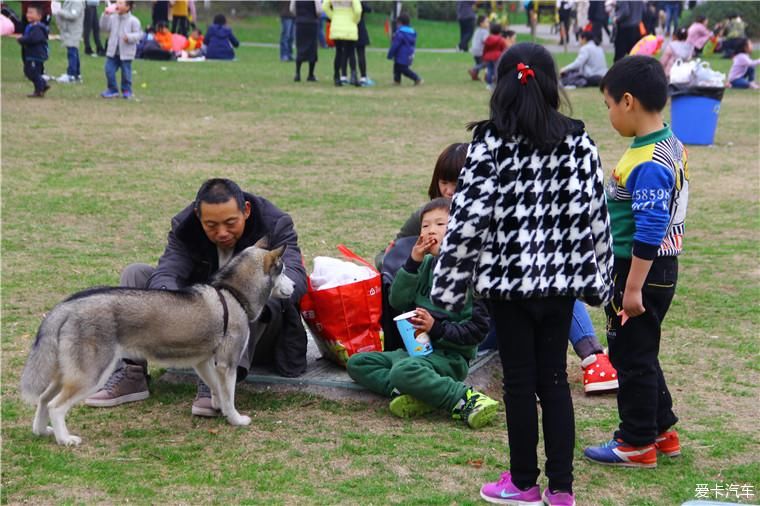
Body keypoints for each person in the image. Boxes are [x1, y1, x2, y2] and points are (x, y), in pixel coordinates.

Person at [431, 42, 614, 506]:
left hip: (507, 287)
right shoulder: (577, 140)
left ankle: (523, 482)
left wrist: (448, 289)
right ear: (552, 84)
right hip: (560, 285)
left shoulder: (489, 143)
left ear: (502, 86)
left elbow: (468, 221)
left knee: (518, 383)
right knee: (553, 379)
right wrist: (602, 280)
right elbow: (597, 216)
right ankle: (563, 490)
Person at [85, 178, 309, 414]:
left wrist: (259, 279)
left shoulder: (274, 223)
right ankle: (131, 373)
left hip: (256, 335)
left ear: (246, 211)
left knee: (243, 299)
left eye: (230, 223)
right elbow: (167, 272)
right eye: (211, 225)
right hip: (197, 324)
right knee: (135, 275)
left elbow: (297, 278)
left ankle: (215, 385)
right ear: (198, 216)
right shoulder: (186, 227)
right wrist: (172, 308)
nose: (222, 233)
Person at [584, 55, 688, 469]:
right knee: (641, 350)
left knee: (629, 356)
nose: (608, 115)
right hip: (653, 270)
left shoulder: (648, 163)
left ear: (627, 101)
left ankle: (636, 442)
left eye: (608, 105)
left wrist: (631, 289)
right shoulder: (665, 143)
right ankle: (662, 430)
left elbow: (649, 229)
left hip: (639, 271)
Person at [347, 198, 500, 429]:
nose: (431, 231)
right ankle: (420, 394)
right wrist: (412, 263)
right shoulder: (425, 265)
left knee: (403, 370)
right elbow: (397, 301)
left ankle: (465, 399)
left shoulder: (472, 273)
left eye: (440, 224)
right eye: (425, 226)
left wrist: (435, 328)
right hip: (416, 352)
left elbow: (476, 332)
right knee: (359, 363)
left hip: (450, 358)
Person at [99, 0, 141, 99]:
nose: (117, 5)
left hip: (126, 52)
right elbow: (104, 27)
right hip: (112, 51)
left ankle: (127, 90)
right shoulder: (113, 18)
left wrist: (129, 37)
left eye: (120, 3)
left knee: (126, 73)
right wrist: (105, 15)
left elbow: (139, 35)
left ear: (128, 7)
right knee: (109, 70)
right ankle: (112, 89)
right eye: (117, 3)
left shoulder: (133, 21)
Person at [322, 0, 361, 86]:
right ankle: (354, 76)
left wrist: (333, 16)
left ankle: (336, 76)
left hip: (336, 25)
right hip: (349, 25)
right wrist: (355, 20)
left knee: (338, 52)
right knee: (351, 52)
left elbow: (324, 6)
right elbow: (358, 10)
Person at [17, 4, 50, 98]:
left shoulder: (38, 27)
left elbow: (34, 39)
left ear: (39, 16)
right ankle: (41, 87)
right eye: (28, 12)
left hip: (36, 55)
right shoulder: (31, 26)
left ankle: (40, 88)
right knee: (31, 72)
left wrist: (22, 39)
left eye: (31, 13)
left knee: (31, 72)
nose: (28, 15)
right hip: (32, 54)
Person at [55, 0, 85, 84]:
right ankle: (77, 74)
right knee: (73, 51)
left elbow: (73, 15)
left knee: (72, 53)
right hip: (68, 30)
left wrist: (59, 11)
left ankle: (71, 75)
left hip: (74, 31)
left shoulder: (77, 2)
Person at [387, 12, 421, 86]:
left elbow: (395, 45)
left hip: (401, 55)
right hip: (409, 54)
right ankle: (397, 81)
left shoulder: (400, 33)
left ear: (400, 23)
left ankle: (416, 78)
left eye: (397, 23)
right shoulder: (412, 32)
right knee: (396, 67)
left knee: (403, 69)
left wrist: (390, 54)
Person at [291, 0, 321, 82]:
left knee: (300, 47)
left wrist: (299, 16)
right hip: (312, 23)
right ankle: (310, 74)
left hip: (300, 23)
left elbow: (292, 9)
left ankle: (297, 73)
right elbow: (318, 10)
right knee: (312, 49)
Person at [354, 1, 374, 86]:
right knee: (361, 53)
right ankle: (363, 77)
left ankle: (345, 76)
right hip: (359, 28)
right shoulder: (358, 2)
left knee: (347, 53)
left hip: (347, 27)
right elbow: (369, 9)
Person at [482, 23, 506, 89]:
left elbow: (485, 48)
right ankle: (496, 83)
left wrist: (483, 56)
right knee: (497, 70)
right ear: (500, 31)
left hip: (488, 56)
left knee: (489, 70)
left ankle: (489, 84)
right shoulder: (501, 39)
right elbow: (503, 48)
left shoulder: (488, 39)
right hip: (497, 57)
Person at [468, 15, 489, 81]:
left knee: (478, 63)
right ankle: (473, 69)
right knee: (485, 64)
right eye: (487, 22)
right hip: (480, 50)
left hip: (474, 50)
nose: (488, 23)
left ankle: (474, 76)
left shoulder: (477, 30)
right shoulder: (485, 31)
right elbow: (485, 41)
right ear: (481, 24)